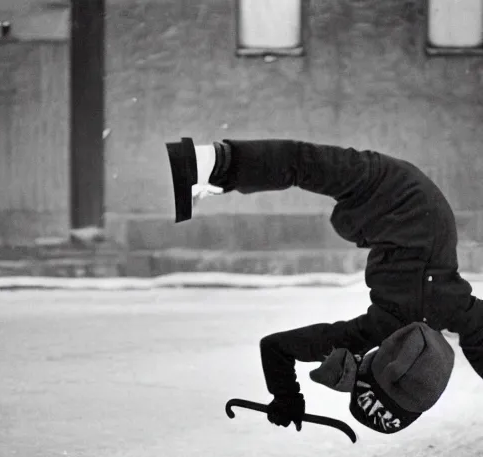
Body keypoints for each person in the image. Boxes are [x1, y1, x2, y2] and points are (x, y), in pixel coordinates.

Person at [166, 138, 483, 434]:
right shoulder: (380, 330)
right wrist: (286, 394)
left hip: (415, 200)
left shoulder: (449, 312)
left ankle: (214, 173)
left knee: (303, 165)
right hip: (393, 191)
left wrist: (288, 394)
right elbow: (276, 347)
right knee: (301, 163)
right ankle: (208, 164)